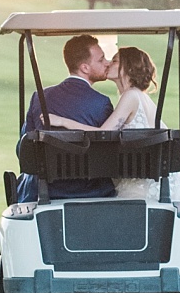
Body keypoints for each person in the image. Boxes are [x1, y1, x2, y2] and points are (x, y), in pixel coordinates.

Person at [44, 45, 180, 203]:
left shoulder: (131, 96)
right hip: (145, 182)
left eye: (114, 61)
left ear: (129, 67)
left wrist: (62, 121)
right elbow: (171, 141)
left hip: (143, 189)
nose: (108, 63)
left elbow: (101, 134)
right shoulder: (139, 97)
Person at [14, 34, 117, 202]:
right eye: (101, 59)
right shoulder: (101, 103)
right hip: (91, 191)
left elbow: (23, 150)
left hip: (44, 191)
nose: (107, 62)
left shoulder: (40, 97)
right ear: (85, 68)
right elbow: (107, 154)